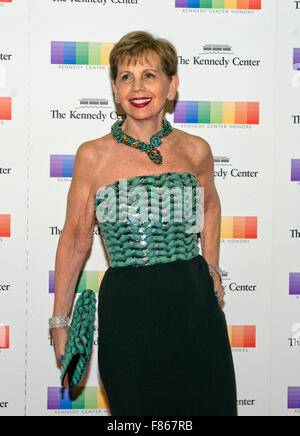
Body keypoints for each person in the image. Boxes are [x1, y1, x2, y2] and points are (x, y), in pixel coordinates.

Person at [50, 31, 237, 416]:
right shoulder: (93, 157)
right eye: (126, 77)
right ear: (116, 91)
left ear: (172, 86)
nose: (137, 87)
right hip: (130, 310)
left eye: (150, 75)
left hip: (194, 306)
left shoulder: (196, 150)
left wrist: (213, 265)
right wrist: (59, 320)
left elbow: (211, 207)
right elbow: (74, 241)